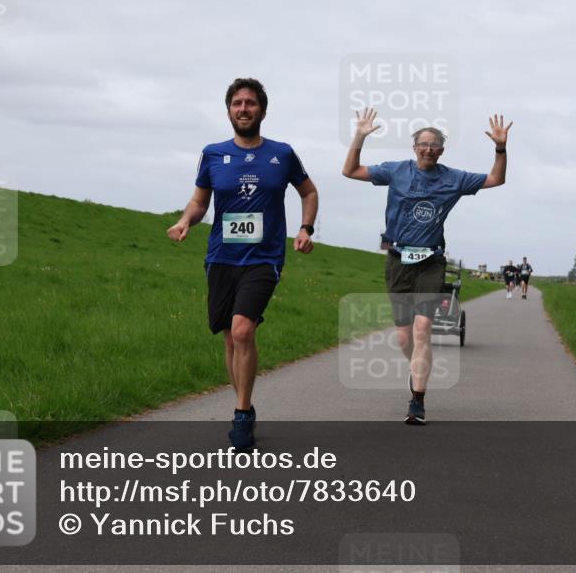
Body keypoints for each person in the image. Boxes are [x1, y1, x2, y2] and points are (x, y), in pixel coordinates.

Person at [167, 78, 318, 450]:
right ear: (229, 110)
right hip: (221, 257)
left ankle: (240, 413)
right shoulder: (213, 154)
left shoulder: (281, 154)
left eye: (251, 103)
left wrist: (305, 227)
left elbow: (309, 191)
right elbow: (200, 201)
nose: (244, 109)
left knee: (241, 331)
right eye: (237, 103)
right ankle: (245, 405)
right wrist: (186, 220)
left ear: (262, 111)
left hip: (264, 258)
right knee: (229, 338)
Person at [342, 108, 512, 424]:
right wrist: (360, 136)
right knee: (405, 339)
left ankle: (417, 400)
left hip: (431, 261)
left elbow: (496, 179)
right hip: (398, 260)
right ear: (415, 147)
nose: (429, 149)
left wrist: (500, 148)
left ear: (442, 150)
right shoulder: (396, 171)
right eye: (424, 144)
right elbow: (350, 171)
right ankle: (416, 369)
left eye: (435, 145)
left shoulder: (453, 178)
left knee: (423, 329)